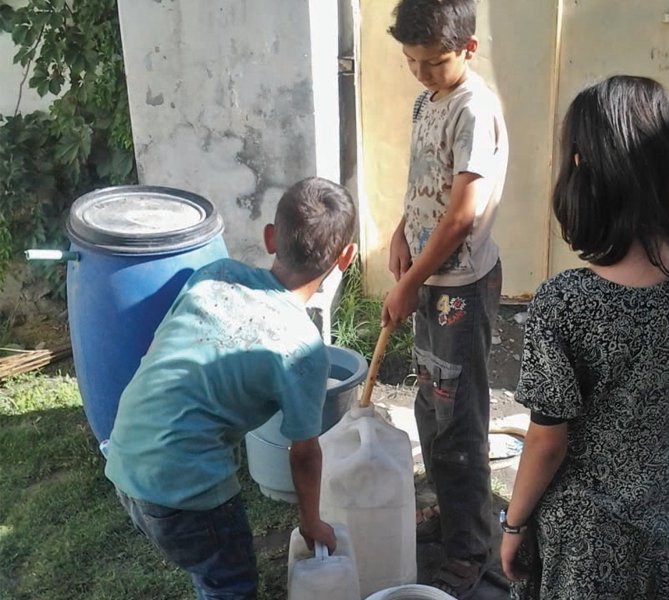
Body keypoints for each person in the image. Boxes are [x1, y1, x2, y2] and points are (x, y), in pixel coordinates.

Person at [499, 75, 669, 599]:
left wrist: (514, 524)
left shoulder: (562, 302)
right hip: (661, 503)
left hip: (579, 532)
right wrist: (651, 468)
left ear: (583, 171)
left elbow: (546, 442)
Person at [104, 177, 357, 599]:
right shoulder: (302, 349)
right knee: (231, 585)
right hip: (185, 489)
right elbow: (305, 453)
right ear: (346, 257)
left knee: (206, 565)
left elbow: (156, 347)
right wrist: (311, 522)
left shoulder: (214, 275)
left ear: (271, 237)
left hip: (126, 458)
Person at [382, 0, 508, 597]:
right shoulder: (423, 101)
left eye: (434, 62)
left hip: (460, 287)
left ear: (469, 49)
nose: (422, 72)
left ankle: (474, 546)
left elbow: (460, 216)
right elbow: (423, 184)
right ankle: (455, 516)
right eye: (411, 61)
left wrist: (409, 284)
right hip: (429, 280)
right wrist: (400, 232)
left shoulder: (474, 111)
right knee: (430, 405)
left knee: (459, 417)